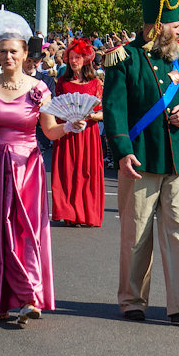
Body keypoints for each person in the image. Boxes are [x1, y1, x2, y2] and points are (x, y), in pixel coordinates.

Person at [102, 0, 179, 323]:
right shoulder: (126, 58)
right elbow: (115, 109)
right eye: (176, 26)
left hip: (178, 158)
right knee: (136, 232)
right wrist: (123, 151)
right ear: (157, 26)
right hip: (141, 157)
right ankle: (133, 300)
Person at [0, 14, 85, 324]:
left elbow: (50, 131)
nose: (8, 57)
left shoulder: (39, 90)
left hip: (27, 167)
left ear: (25, 54)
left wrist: (70, 126)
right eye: (2, 51)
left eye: (13, 51)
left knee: (28, 232)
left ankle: (30, 296)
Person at [51, 37, 105, 228]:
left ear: (85, 59)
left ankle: (86, 213)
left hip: (88, 136)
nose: (74, 61)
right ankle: (69, 213)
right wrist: (67, 120)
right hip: (67, 133)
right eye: (71, 57)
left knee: (87, 173)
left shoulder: (95, 84)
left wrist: (89, 116)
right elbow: (56, 111)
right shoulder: (62, 83)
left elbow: (102, 113)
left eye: (78, 57)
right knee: (68, 173)